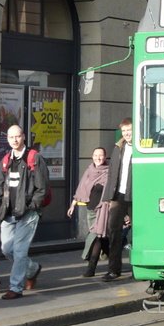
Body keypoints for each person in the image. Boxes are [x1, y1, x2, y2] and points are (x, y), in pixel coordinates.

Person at [0, 124, 48, 299]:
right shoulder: (5, 161)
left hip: (28, 212)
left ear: (24, 137)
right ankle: (32, 269)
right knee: (6, 249)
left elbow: (41, 188)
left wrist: (32, 206)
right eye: (11, 137)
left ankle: (15, 287)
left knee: (20, 250)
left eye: (17, 136)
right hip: (8, 212)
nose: (14, 140)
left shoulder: (34, 158)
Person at [67, 147, 110, 277]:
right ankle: (113, 259)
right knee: (102, 239)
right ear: (92, 156)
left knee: (95, 237)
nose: (98, 158)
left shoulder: (109, 172)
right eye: (96, 155)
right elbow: (81, 188)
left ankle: (91, 268)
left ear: (105, 157)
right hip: (90, 210)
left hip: (103, 210)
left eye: (101, 155)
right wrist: (73, 205)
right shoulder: (89, 170)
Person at [102, 118, 133, 281]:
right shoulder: (118, 147)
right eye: (125, 131)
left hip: (135, 195)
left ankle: (138, 268)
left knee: (137, 233)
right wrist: (108, 196)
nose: (127, 134)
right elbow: (112, 172)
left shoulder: (143, 147)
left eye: (130, 130)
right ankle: (114, 269)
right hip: (118, 195)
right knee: (113, 230)